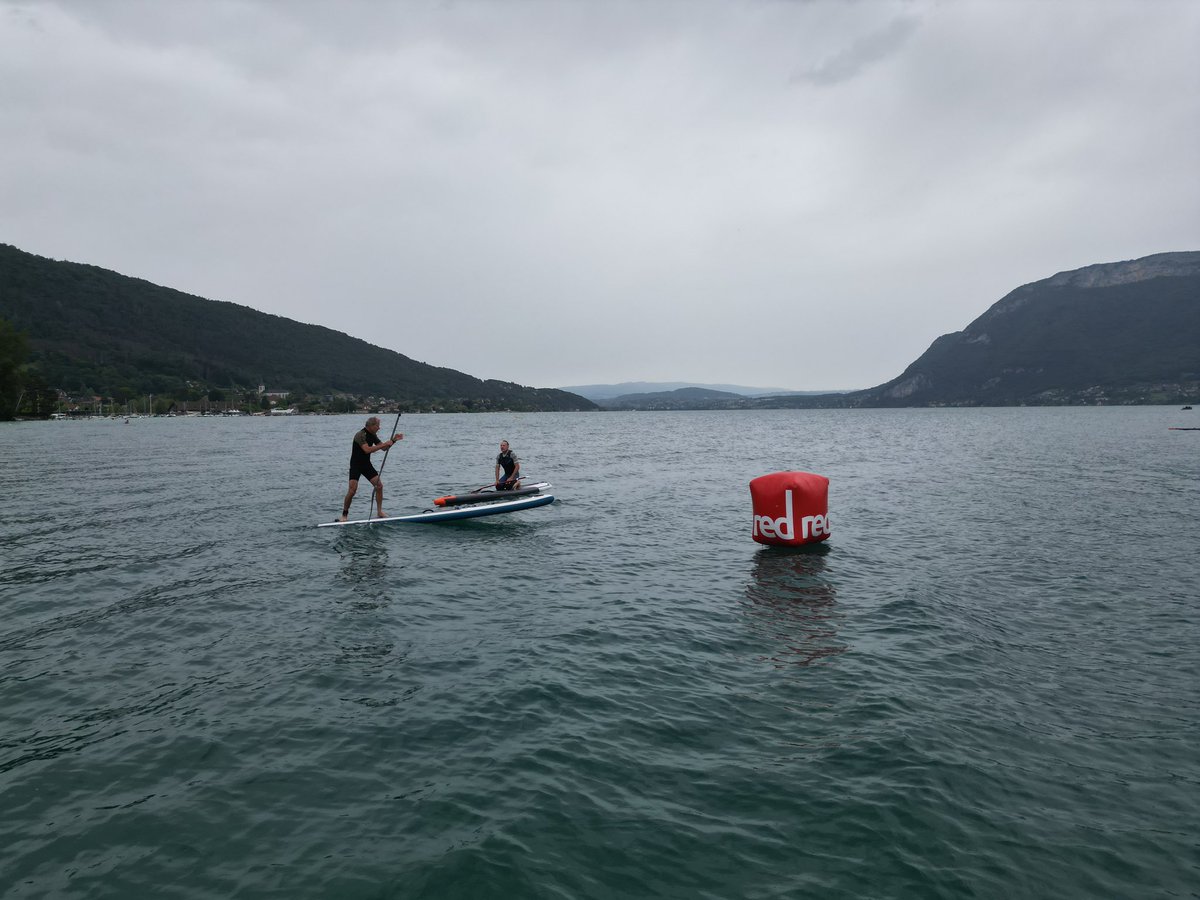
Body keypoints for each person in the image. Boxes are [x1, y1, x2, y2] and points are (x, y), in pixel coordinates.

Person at [340, 416, 402, 521]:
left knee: (379, 486)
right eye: (378, 425)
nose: (379, 428)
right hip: (356, 465)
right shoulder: (360, 435)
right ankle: (344, 515)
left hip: (366, 465)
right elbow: (367, 450)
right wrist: (385, 444)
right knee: (352, 490)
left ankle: (379, 512)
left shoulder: (373, 435)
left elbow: (384, 448)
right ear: (372, 426)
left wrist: (393, 440)